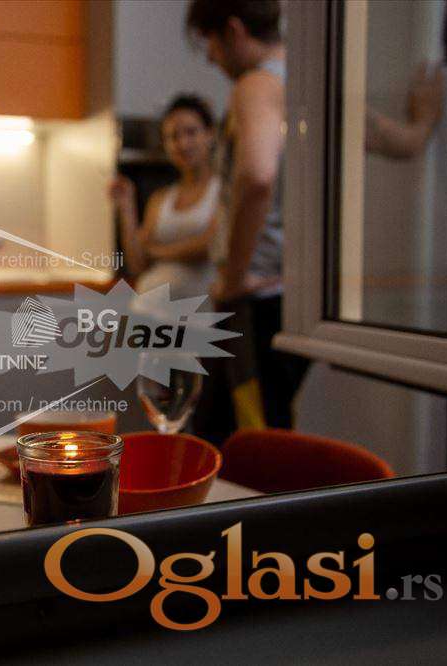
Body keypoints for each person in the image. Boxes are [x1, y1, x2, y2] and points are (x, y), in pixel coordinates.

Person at [185, 0, 308, 444]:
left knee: (245, 440)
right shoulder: (312, 83)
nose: (211, 57)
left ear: (234, 31)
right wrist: (422, 124)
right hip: (292, 293)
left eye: (211, 43)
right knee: (241, 425)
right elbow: (392, 139)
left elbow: (257, 177)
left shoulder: (255, 85)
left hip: (254, 298)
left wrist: (234, 278)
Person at [109, 95, 221, 300]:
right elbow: (137, 263)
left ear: (210, 134)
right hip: (148, 311)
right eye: (173, 137)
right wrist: (126, 206)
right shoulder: (161, 199)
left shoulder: (223, 192)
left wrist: (156, 252)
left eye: (191, 132)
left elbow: (210, 246)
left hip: (200, 314)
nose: (183, 144)